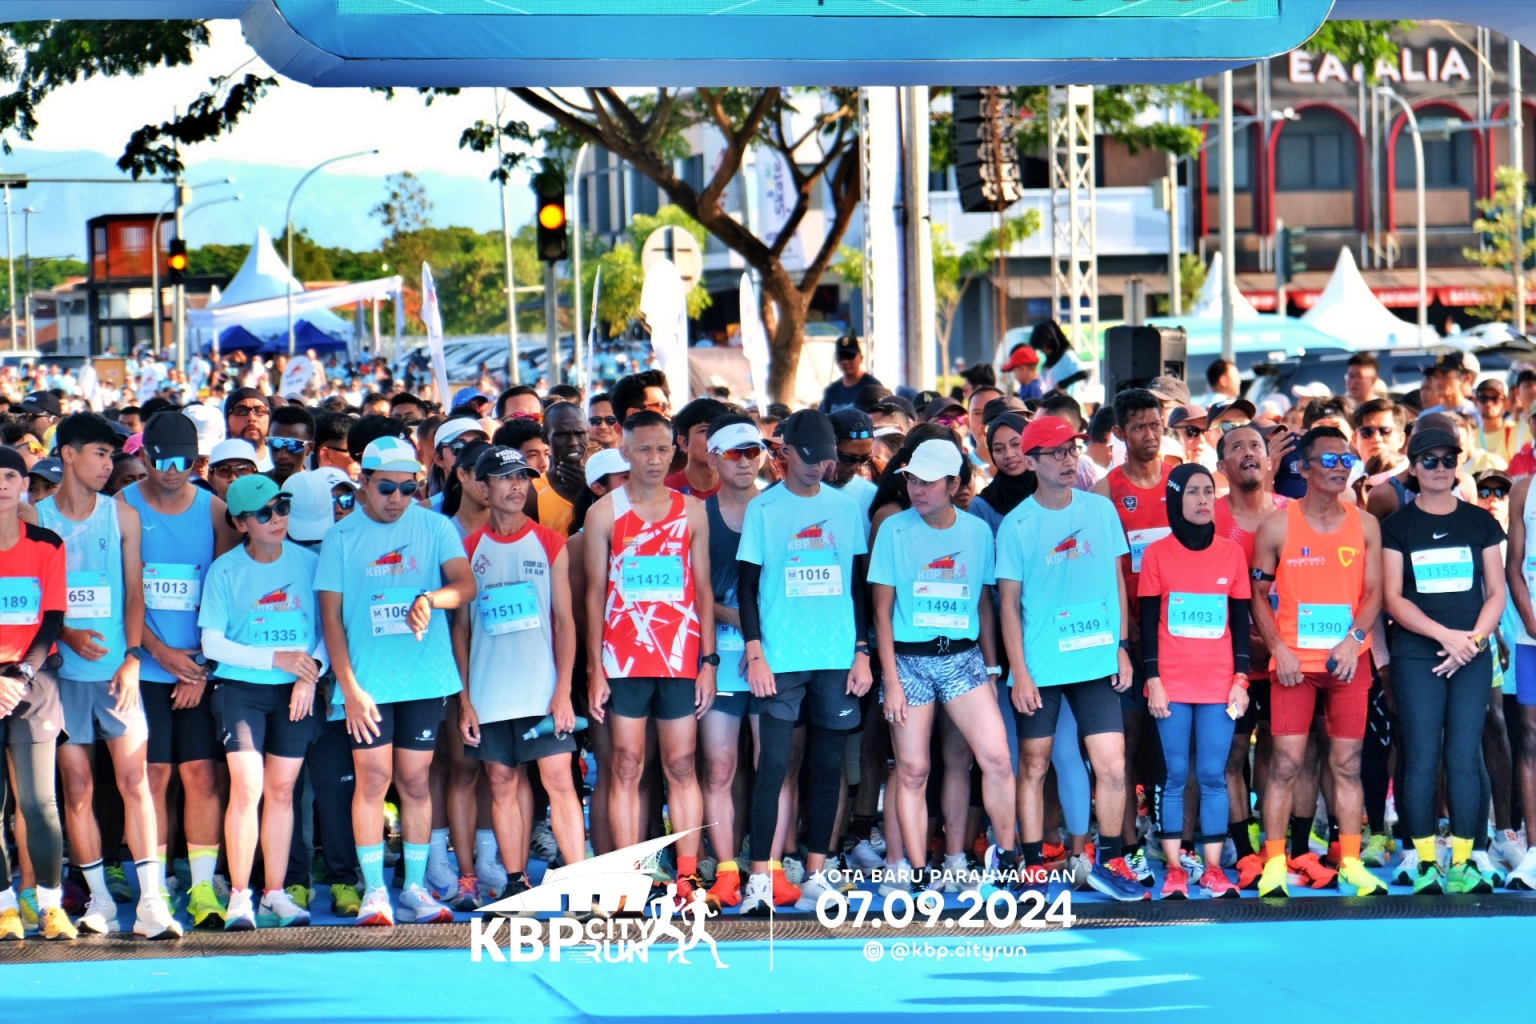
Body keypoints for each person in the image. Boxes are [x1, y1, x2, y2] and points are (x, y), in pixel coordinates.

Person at [316, 436, 477, 926]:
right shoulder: (341, 536)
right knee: (372, 781)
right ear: (363, 482)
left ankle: (413, 888)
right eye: (387, 487)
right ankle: (374, 891)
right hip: (366, 684)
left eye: (409, 488)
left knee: (414, 781)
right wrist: (349, 688)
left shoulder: (435, 526)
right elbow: (331, 620)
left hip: (423, 679)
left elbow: (465, 585)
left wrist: (431, 598)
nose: (398, 498)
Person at [39, 413, 182, 937]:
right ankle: (99, 900)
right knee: (76, 788)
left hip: (118, 674)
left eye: (110, 455)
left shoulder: (121, 514)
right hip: (59, 678)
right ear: (68, 454)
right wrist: (65, 635)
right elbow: (34, 597)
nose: (108, 464)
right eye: (99, 453)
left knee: (135, 782)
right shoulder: (36, 516)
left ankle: (152, 903)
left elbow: (134, 594)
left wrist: (133, 658)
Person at [994, 414, 1145, 900]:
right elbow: (1008, 606)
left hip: (1096, 660)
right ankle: (1033, 865)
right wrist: (1019, 672)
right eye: (1056, 452)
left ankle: (1111, 861)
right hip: (1041, 666)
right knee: (1034, 765)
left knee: (1114, 766)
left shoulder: (1100, 511)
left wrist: (1121, 646)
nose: (1067, 459)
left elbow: (1117, 581)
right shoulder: (1016, 525)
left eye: (1072, 449)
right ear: (1031, 462)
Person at [735, 409, 871, 913]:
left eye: (825, 459)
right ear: (785, 453)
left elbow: (857, 586)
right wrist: (755, 651)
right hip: (780, 657)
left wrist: (861, 652)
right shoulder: (764, 508)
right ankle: (759, 879)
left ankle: (816, 873)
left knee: (827, 766)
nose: (819, 467)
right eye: (809, 457)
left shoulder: (845, 508)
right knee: (772, 765)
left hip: (836, 656)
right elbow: (747, 587)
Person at [870, 438, 1018, 891]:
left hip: (963, 658)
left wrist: (991, 670)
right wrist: (891, 681)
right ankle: (916, 873)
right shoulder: (894, 530)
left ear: (954, 484)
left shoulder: (977, 532)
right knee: (913, 769)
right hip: (908, 660)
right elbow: (880, 613)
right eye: (912, 479)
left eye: (929, 482)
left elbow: (985, 605)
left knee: (994, 758)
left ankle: (1004, 861)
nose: (917, 489)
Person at [583, 409, 716, 902]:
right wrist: (595, 669)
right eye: (644, 449)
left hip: (679, 657)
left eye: (662, 449)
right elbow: (594, 594)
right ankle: (628, 879)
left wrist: (708, 662)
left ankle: (687, 877)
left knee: (681, 764)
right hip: (623, 659)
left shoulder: (692, 512)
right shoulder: (604, 513)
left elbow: (703, 591)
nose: (655, 459)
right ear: (625, 452)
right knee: (626, 764)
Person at [1249, 426, 1387, 897]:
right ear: (1304, 469)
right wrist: (1278, 648)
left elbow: (1375, 593)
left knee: (1347, 763)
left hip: (1348, 661)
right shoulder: (1277, 526)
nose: (1340, 468)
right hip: (1294, 665)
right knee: (1286, 762)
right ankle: (1274, 864)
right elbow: (1257, 594)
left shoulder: (1365, 524)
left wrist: (1353, 640)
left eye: (1346, 460)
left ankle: (1350, 862)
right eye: (1329, 460)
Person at [120, 412, 240, 930]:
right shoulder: (122, 507)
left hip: (199, 667)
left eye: (185, 462)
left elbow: (226, 592)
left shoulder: (214, 511)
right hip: (145, 667)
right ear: (144, 457)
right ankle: (155, 886)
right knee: (152, 777)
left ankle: (202, 886)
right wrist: (161, 654)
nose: (172, 471)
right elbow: (124, 595)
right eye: (162, 460)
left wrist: (199, 667)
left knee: (201, 775)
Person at [453, 446, 584, 910]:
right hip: (489, 692)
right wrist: (465, 701)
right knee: (502, 782)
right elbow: (461, 630)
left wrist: (563, 691)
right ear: (482, 487)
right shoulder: (468, 549)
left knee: (559, 780)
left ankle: (580, 884)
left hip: (541, 690)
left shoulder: (549, 542)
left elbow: (565, 621)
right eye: (505, 478)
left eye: (523, 478)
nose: (516, 486)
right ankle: (515, 883)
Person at [1381, 426, 1507, 895]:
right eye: (1429, 460)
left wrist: (1472, 641)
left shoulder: (1479, 522)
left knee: (1464, 754)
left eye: (1448, 460)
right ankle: (1423, 862)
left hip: (1471, 654)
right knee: (1421, 754)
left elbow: (1495, 592)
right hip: (1418, 653)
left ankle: (1465, 860)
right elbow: (1393, 598)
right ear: (1413, 467)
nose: (1440, 468)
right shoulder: (1397, 526)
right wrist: (1445, 637)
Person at [199, 476, 329, 929]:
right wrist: (275, 658)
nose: (277, 519)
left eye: (282, 507)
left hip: (295, 690)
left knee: (282, 791)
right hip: (240, 691)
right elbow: (212, 643)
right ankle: (240, 895)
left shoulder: (310, 562)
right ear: (240, 523)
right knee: (247, 788)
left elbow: (327, 630)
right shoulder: (225, 570)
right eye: (263, 513)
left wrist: (310, 673)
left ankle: (274, 893)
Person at [1137, 464, 1250, 899]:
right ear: (1175, 498)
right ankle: (1174, 870)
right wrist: (1153, 679)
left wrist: (1240, 680)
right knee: (1174, 775)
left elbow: (1239, 624)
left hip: (1220, 685)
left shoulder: (1231, 554)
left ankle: (1214, 870)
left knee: (1212, 775)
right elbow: (1148, 625)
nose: (1203, 500)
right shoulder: (1157, 554)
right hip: (1171, 684)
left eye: (1208, 491)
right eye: (1192, 492)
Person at [1091, 388, 1171, 885]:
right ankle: (1126, 848)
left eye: (1155, 424)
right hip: (1128, 634)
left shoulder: (1182, 479)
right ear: (1120, 433)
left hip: (1179, 634)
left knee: (1172, 747)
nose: (1149, 434)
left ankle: (1175, 842)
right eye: (1138, 426)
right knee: (1125, 743)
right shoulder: (1105, 491)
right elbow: (1103, 569)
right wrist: (1122, 632)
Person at [0, 445, 76, 940]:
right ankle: (4, 907)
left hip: (32, 681)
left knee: (39, 803)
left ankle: (50, 906)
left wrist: (21, 674)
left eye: (10, 476)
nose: (2, 485)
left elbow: (52, 618)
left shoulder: (47, 544)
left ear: (24, 486)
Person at [690, 416, 765, 909]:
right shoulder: (698, 515)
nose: (746, 462)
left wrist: (757, 632)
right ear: (714, 458)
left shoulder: (777, 509)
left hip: (770, 661)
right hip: (719, 658)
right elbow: (691, 589)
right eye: (735, 453)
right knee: (719, 767)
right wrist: (731, 616)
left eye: (753, 451)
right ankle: (725, 870)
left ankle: (768, 867)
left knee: (772, 767)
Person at [1502, 468, 1536, 890]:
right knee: (1529, 737)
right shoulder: (1524, 490)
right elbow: (1514, 567)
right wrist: (1529, 620)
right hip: (1532, 638)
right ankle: (1534, 852)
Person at [664, 398, 730, 499]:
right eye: (704, 430)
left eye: (720, 430)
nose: (715, 438)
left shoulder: (735, 489)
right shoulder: (664, 490)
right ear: (683, 443)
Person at [541, 401, 590, 534]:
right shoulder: (533, 493)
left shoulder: (605, 484)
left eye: (579, 434)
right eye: (561, 435)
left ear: (588, 434)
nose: (573, 443)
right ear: (545, 438)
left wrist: (589, 492)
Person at [828, 407, 879, 517]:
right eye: (849, 458)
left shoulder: (872, 495)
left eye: (864, 458)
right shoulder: (798, 491)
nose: (856, 467)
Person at [819, 335, 882, 414]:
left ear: (861, 358)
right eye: (842, 356)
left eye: (850, 356)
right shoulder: (831, 391)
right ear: (836, 360)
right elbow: (822, 418)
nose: (845, 361)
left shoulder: (874, 388)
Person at [1474, 378, 1524, 466]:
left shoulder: (1516, 431)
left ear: (1506, 404)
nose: (1489, 404)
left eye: (1495, 399)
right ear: (1475, 402)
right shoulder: (1472, 437)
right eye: (1483, 398)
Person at [1031, 320, 1089, 392]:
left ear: (1051, 342)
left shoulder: (1067, 355)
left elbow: (1083, 373)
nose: (1044, 351)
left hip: (1067, 398)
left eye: (1044, 348)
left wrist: (1062, 384)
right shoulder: (1051, 360)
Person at [224, 388, 273, 473]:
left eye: (259, 411)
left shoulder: (280, 463)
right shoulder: (214, 464)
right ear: (227, 419)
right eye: (241, 411)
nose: (251, 418)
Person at [265, 404, 315, 486]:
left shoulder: (317, 488)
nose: (282, 455)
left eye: (293, 444)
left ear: (310, 448)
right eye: (274, 442)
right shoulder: (253, 486)